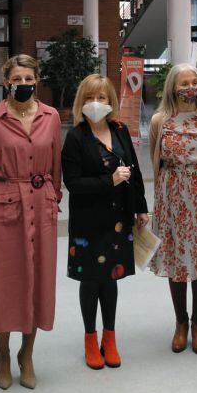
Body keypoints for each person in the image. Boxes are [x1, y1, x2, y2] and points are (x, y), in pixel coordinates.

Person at [0, 55, 62, 389]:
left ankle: (27, 353)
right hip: (6, 200)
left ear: (37, 79)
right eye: (17, 78)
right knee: (6, 280)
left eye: (29, 77)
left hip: (42, 202)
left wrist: (55, 199)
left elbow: (55, 164)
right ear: (6, 82)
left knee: (39, 280)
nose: (23, 83)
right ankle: (3, 353)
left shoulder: (51, 116)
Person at [61, 74, 149, 370]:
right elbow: (73, 183)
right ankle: (90, 338)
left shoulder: (120, 130)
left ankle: (109, 338)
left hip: (119, 219)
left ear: (111, 101)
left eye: (101, 98)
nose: (95, 104)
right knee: (91, 280)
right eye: (89, 98)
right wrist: (108, 180)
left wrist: (141, 208)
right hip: (89, 222)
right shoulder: (75, 137)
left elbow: (134, 171)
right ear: (80, 103)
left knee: (111, 278)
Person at [148, 63, 197, 355]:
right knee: (177, 260)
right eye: (183, 83)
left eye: (193, 82)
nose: (189, 88)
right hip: (172, 195)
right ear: (172, 87)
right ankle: (180, 322)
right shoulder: (160, 120)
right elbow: (156, 160)